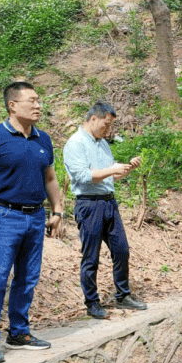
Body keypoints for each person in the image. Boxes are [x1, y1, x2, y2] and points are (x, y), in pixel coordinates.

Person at [0, 81, 64, 363]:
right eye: (32, 101)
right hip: (3, 216)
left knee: (27, 278)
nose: (38, 106)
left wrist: (58, 209)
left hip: (35, 216)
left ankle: (19, 332)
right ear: (13, 105)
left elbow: (50, 177)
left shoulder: (43, 139)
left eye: (39, 101)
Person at [62, 102, 148, 319]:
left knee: (122, 250)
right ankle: (92, 302)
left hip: (109, 202)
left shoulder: (102, 144)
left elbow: (111, 176)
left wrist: (127, 169)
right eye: (106, 125)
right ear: (93, 119)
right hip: (89, 204)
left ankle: (123, 296)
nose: (108, 130)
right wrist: (111, 169)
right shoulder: (76, 144)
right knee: (91, 257)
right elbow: (82, 176)